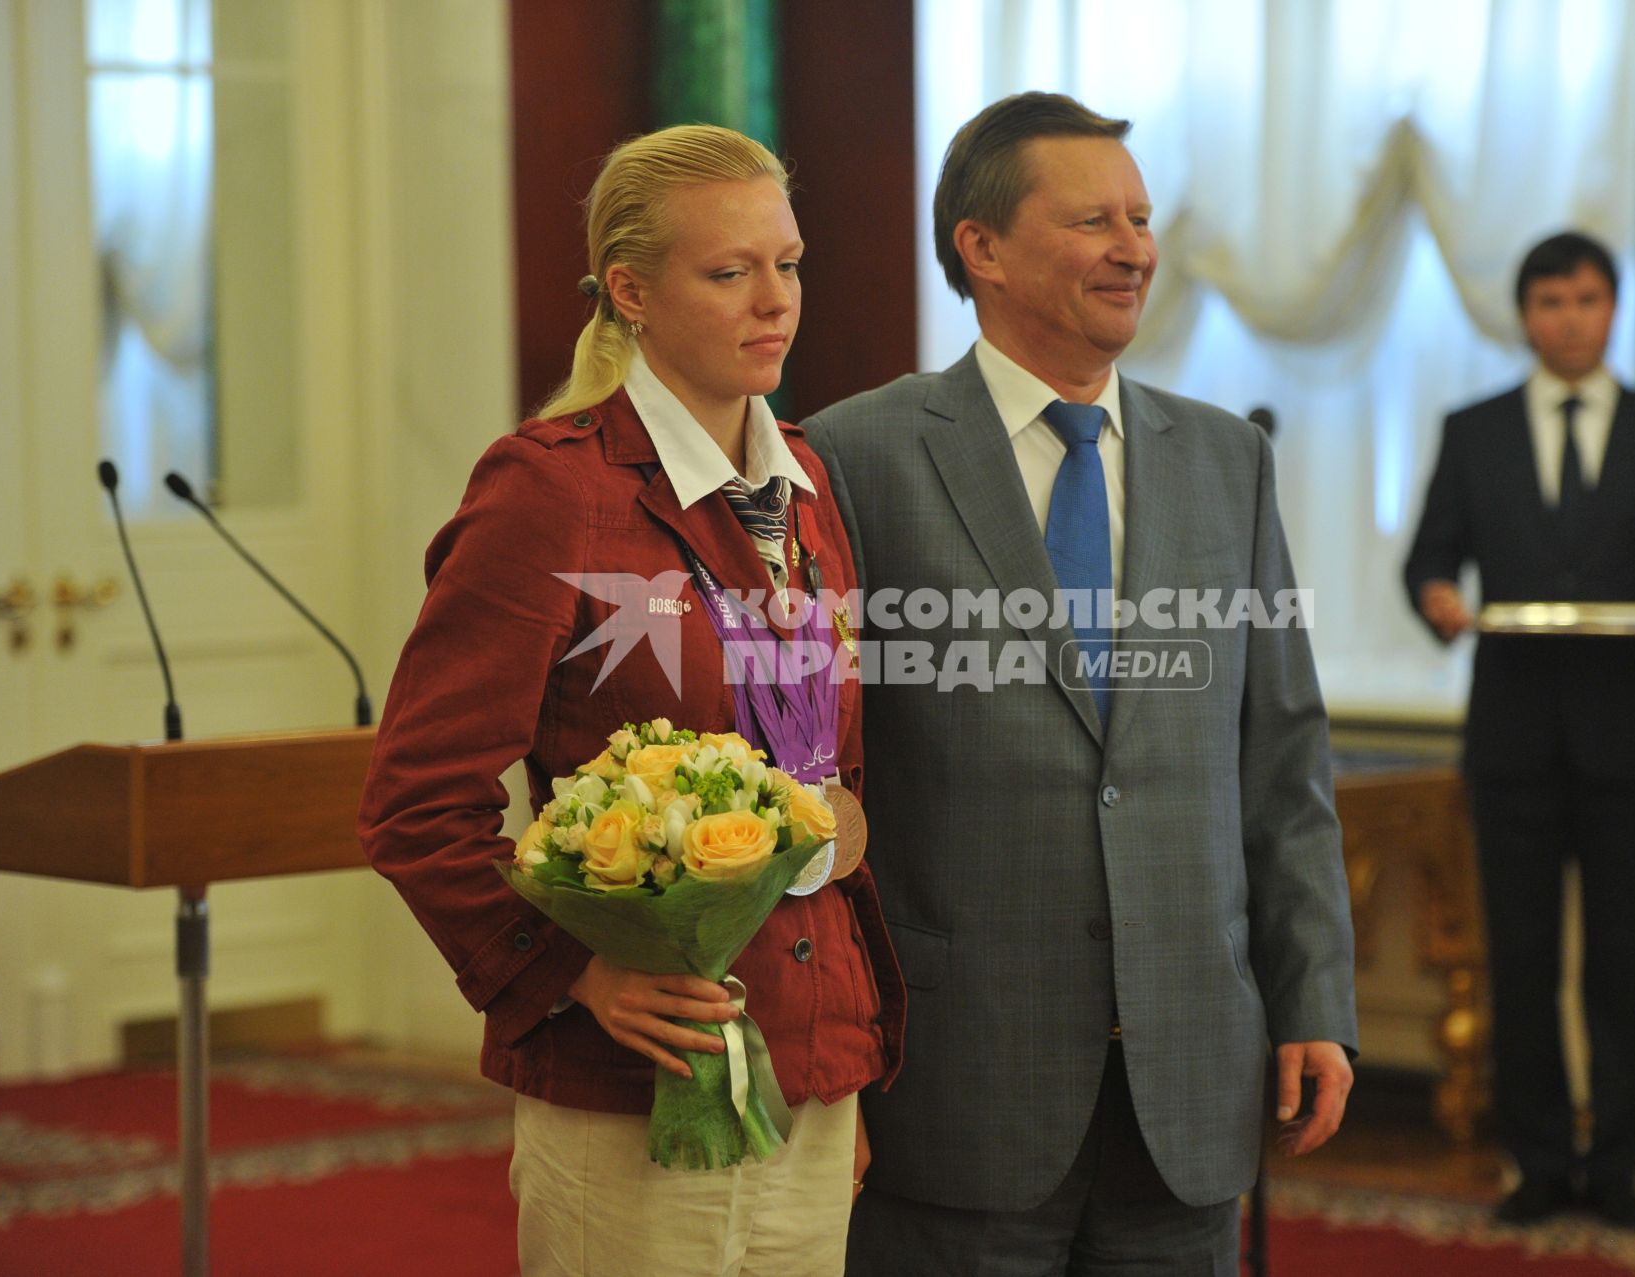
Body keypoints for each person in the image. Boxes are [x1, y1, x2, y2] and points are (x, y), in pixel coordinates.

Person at [805, 92, 1358, 1275]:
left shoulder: (1228, 460)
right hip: (956, 1086)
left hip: (1192, 1081)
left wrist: (1314, 996)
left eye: (1143, 218)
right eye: (1093, 219)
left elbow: (1283, 761)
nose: (1134, 247)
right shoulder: (851, 456)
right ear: (982, 247)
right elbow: (818, 777)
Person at [358, 124, 904, 1277]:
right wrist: (568, 974)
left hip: (812, 1057)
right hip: (630, 1076)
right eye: (730, 271)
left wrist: (825, 1058)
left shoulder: (805, 486)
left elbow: (826, 767)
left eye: (790, 264)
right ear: (632, 292)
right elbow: (417, 801)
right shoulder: (550, 491)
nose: (776, 301)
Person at [1402, 231, 1635, 1229]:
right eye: (1551, 300)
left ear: (1612, 309)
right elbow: (1431, 557)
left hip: (1630, 742)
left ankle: (1619, 1168)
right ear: (1525, 314)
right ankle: (1540, 1161)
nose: (1570, 316)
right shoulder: (1472, 431)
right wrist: (1432, 594)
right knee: (1521, 961)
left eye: (1588, 298)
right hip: (1512, 742)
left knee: (1621, 961)